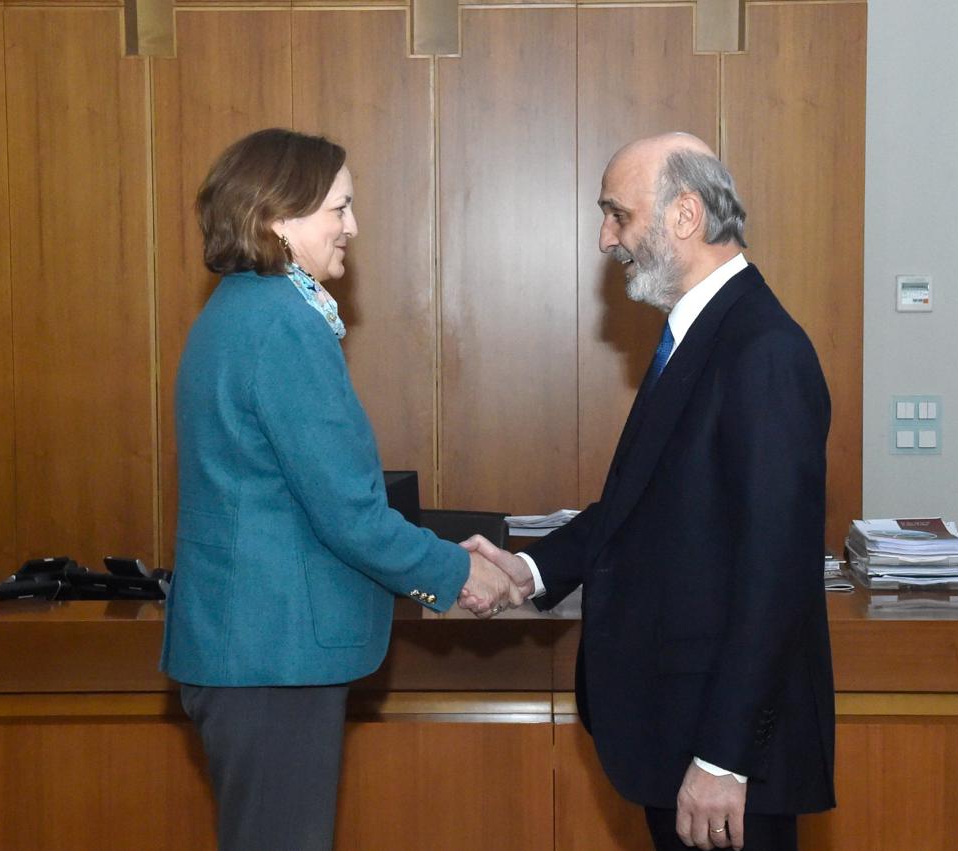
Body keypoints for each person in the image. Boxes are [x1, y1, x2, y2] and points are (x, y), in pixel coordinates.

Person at [465, 133, 835, 851]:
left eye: (619, 215)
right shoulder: (699, 334)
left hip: (722, 755)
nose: (607, 239)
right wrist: (530, 569)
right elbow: (643, 506)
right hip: (679, 729)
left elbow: (776, 575)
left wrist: (724, 758)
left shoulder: (763, 350)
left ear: (685, 215)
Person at [160, 128, 519, 851]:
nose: (353, 226)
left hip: (252, 655)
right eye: (339, 208)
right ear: (276, 216)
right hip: (274, 659)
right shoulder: (282, 324)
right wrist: (458, 572)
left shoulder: (237, 312)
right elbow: (349, 513)